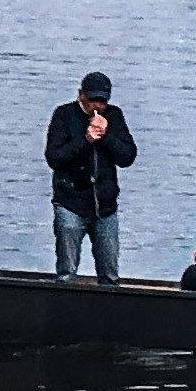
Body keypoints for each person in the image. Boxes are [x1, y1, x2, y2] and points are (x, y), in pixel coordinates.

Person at [44, 71, 135, 280]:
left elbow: (127, 156)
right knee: (66, 273)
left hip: (104, 207)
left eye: (102, 101)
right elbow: (54, 158)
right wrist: (86, 140)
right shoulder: (64, 115)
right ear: (81, 95)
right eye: (92, 99)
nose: (97, 106)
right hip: (70, 203)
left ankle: (110, 309)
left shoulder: (114, 116)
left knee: (110, 273)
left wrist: (105, 137)